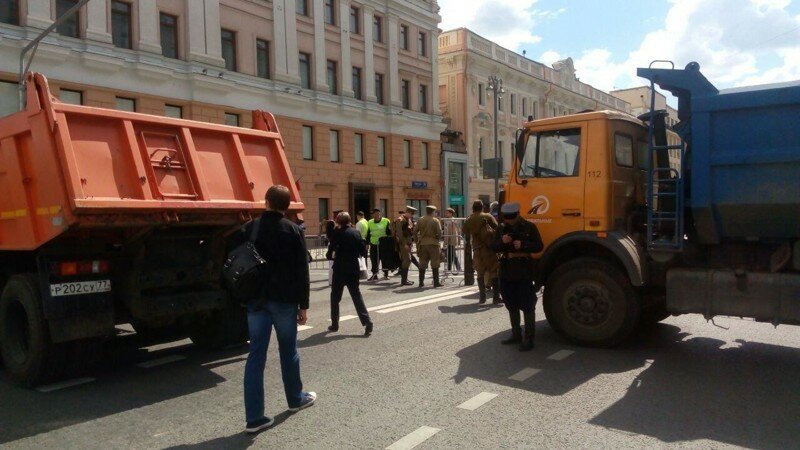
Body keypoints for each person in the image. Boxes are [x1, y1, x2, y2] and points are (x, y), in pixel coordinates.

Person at [244, 185, 316, 434]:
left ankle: (254, 418)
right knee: (288, 350)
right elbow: (301, 271)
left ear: (266, 202)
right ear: (286, 207)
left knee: (256, 356)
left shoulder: (251, 228)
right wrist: (303, 306)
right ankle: (295, 399)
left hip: (256, 301)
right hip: (285, 301)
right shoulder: (293, 230)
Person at [491, 202, 543, 352]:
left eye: (511, 218)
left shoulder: (529, 227)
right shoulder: (501, 228)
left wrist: (524, 245)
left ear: (518, 214)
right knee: (510, 303)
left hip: (523, 270)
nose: (509, 221)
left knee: (527, 305)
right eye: (507, 218)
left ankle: (529, 338)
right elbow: (493, 246)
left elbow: (539, 245)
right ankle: (516, 334)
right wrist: (502, 241)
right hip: (506, 270)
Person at [327, 212, 374, 336]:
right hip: (353, 268)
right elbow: (363, 251)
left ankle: (335, 324)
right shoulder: (355, 232)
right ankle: (367, 321)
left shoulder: (336, 233)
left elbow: (329, 253)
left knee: (335, 297)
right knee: (356, 296)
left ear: (338, 221)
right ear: (349, 221)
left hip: (339, 269)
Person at [462, 200, 501, 304]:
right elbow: (497, 228)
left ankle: (482, 297)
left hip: (476, 249)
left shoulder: (469, 219)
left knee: (480, 273)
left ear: (473, 208)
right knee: (493, 271)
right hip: (488, 249)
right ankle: (496, 297)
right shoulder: (487, 216)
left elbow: (464, 231)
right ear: (482, 207)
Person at [413, 205, 442, 287]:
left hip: (423, 244)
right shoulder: (435, 220)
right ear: (433, 212)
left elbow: (414, 232)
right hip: (433, 244)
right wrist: (437, 239)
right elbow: (439, 233)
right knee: (435, 263)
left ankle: (421, 282)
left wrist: (416, 241)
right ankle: (436, 283)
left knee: (422, 263)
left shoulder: (420, 220)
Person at [392, 206, 417, 286]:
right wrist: (405, 244)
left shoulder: (408, 220)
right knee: (407, 260)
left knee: (407, 260)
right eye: (411, 213)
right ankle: (404, 280)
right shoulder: (400, 220)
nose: (412, 215)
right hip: (403, 243)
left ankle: (405, 279)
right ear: (407, 212)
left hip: (408, 243)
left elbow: (410, 232)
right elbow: (399, 234)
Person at [366, 208, 391, 280]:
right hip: (374, 243)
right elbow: (368, 233)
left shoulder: (386, 221)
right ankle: (374, 274)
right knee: (374, 259)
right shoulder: (370, 222)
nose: (375, 215)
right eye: (373, 214)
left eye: (376, 213)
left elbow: (389, 233)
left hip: (384, 243)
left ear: (379, 214)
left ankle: (386, 274)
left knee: (384, 259)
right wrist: (367, 244)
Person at [442, 208, 462, 273]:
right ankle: (451, 268)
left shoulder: (451, 221)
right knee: (451, 255)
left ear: (451, 213)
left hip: (451, 240)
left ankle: (455, 268)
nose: (446, 214)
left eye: (447, 213)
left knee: (452, 254)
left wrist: (445, 242)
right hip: (451, 239)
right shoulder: (449, 220)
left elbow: (449, 232)